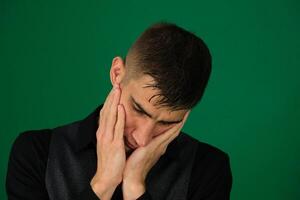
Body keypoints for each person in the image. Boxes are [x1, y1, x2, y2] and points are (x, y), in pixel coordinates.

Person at [6, 22, 232, 200]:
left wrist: (135, 188)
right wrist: (103, 184)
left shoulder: (207, 170)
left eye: (167, 123)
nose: (143, 139)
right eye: (139, 109)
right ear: (117, 73)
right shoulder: (36, 154)